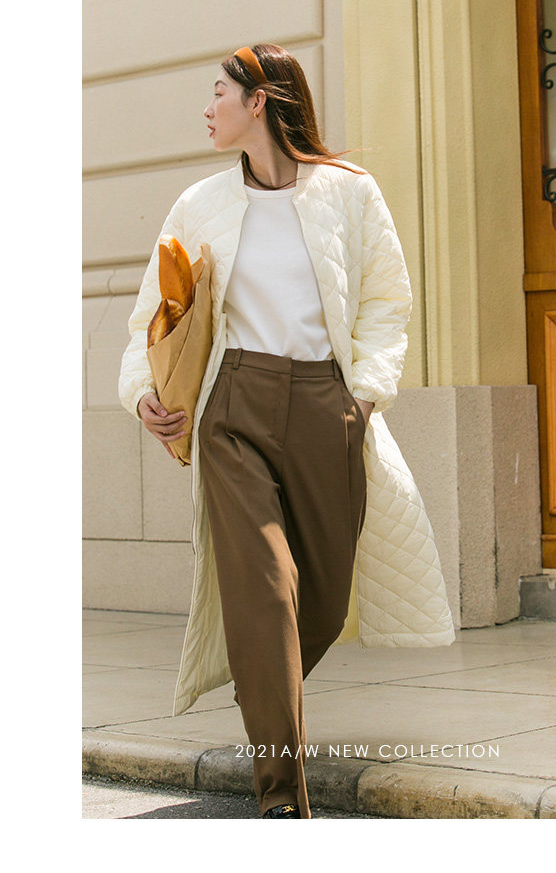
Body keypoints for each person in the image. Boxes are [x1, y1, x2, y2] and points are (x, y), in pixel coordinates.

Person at [118, 43, 455, 819]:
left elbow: (387, 302)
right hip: (233, 409)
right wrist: (143, 396)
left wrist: (362, 398)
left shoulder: (350, 191)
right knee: (266, 588)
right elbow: (151, 318)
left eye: (219, 92)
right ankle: (280, 795)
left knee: (325, 603)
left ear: (259, 101)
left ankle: (262, 677)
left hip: (326, 405)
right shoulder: (199, 204)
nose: (208, 108)